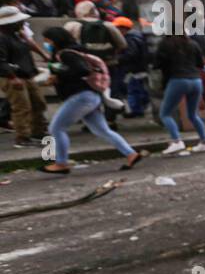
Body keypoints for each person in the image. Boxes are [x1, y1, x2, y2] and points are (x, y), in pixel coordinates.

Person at [39, 27, 146, 175]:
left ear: (56, 39)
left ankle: (61, 163)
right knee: (102, 130)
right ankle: (131, 154)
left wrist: (58, 76)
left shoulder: (66, 54)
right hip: (91, 96)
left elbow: (82, 70)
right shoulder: (76, 50)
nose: (46, 43)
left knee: (56, 128)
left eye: (48, 40)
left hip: (81, 97)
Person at [154, 32, 205, 155]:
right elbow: (200, 64)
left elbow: (158, 64)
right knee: (193, 114)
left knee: (165, 113)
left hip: (177, 80)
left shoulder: (165, 44)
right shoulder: (193, 43)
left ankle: (176, 141)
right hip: (196, 81)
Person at [0, 5, 49, 148]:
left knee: (38, 103)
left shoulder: (18, 35)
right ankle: (23, 137)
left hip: (26, 74)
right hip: (13, 76)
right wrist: (12, 77)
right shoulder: (2, 39)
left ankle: (38, 131)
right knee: (22, 107)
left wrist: (43, 55)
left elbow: (30, 44)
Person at [116, 17, 151, 117]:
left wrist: (118, 59)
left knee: (133, 89)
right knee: (140, 88)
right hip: (140, 68)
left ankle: (136, 110)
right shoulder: (137, 36)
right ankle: (141, 105)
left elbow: (131, 54)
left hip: (133, 69)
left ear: (123, 29)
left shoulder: (130, 39)